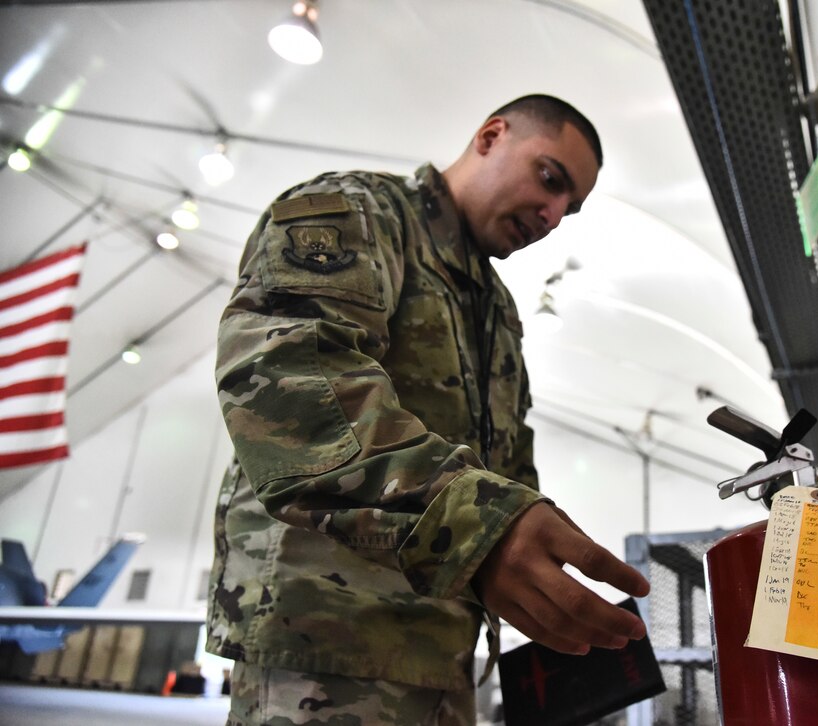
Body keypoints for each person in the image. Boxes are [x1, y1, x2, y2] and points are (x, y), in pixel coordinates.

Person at [207, 94, 651, 725]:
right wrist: (484, 530)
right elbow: (287, 385)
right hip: (328, 647)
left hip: (442, 653)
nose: (553, 215)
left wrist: (543, 570)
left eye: (568, 207)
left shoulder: (495, 307)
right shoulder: (357, 213)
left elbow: (505, 470)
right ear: (492, 135)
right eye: (549, 179)